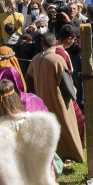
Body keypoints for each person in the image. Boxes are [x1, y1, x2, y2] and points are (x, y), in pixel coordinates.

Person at [27, 33, 84, 164]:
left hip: (41, 102)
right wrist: (73, 94)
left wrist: (33, 97)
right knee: (64, 128)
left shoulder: (35, 59)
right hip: (57, 102)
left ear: (42, 44)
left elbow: (29, 81)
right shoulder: (57, 59)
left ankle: (50, 158)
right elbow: (66, 82)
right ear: (56, 44)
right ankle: (65, 157)